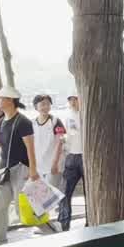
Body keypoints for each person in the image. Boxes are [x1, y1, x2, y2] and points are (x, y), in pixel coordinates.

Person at [0, 88, 39, 245]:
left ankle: (52, 230)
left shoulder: (23, 122)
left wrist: (33, 171)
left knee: (24, 208)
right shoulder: (2, 121)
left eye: (0, 99)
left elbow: (30, 148)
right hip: (4, 169)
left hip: (21, 169)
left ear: (10, 100)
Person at [58, 95, 85, 231]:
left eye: (75, 99)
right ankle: (64, 222)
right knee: (64, 192)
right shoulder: (66, 116)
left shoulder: (86, 114)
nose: (73, 102)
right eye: (70, 100)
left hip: (86, 157)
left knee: (89, 192)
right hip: (71, 157)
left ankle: (91, 221)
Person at [31, 95, 66, 197]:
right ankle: (52, 212)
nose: (45, 107)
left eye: (48, 104)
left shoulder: (55, 121)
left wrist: (55, 163)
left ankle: (60, 211)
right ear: (36, 106)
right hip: (39, 165)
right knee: (41, 195)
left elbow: (60, 142)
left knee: (49, 194)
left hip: (54, 165)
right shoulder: (32, 123)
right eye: (42, 104)